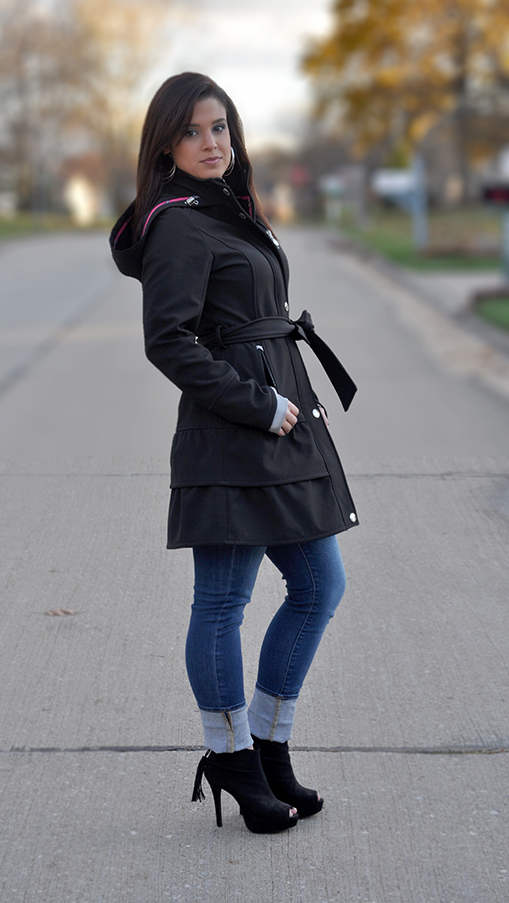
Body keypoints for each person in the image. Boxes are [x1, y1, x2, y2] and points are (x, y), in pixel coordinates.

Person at [110, 72, 358, 835]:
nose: (211, 142)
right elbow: (168, 342)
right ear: (166, 144)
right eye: (192, 132)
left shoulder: (231, 208)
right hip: (232, 432)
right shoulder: (180, 223)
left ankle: (269, 746)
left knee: (319, 583)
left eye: (220, 126)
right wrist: (258, 402)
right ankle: (230, 754)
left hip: (279, 425)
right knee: (223, 603)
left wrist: (283, 402)